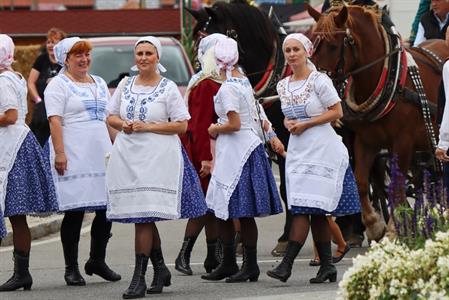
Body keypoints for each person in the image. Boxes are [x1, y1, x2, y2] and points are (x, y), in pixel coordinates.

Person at [105, 36, 207, 299]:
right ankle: (160, 269)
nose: (143, 58)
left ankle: (139, 278)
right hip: (129, 157)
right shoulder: (125, 84)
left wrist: (148, 126)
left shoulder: (169, 87)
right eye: (139, 53)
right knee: (144, 216)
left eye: (148, 53)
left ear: (157, 57)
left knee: (143, 218)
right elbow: (111, 116)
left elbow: (182, 124)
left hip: (158, 158)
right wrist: (123, 125)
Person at [266, 33, 360, 284]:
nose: (292, 54)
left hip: (322, 148)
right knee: (311, 210)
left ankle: (286, 266)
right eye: (288, 50)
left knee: (307, 209)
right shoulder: (283, 85)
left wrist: (307, 124)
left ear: (307, 51)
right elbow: (287, 116)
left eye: (296, 49)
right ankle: (328, 267)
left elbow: (336, 111)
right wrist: (288, 122)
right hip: (299, 149)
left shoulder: (320, 80)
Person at [201, 37, 283, 283]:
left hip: (238, 151)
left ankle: (247, 265)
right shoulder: (243, 81)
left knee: (237, 211)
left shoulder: (227, 88)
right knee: (226, 209)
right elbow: (255, 115)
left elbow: (235, 124)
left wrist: (214, 129)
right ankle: (232, 263)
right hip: (247, 147)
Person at [44, 37, 121, 287]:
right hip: (74, 152)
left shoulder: (98, 82)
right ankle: (71, 268)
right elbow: (55, 121)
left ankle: (97, 260)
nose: (84, 59)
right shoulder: (58, 85)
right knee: (75, 211)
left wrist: (119, 146)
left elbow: (107, 119)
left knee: (106, 208)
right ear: (65, 59)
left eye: (87, 54)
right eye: (77, 55)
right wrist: (59, 153)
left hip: (101, 152)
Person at [0, 34, 58, 291]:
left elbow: (10, 116)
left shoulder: (3, 81)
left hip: (12, 149)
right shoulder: (15, 76)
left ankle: (21, 273)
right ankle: (21, 273)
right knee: (16, 215)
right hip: (17, 145)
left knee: (15, 213)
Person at [174, 33, 226, 276]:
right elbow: (200, 123)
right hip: (204, 150)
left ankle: (212, 257)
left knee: (213, 206)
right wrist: (206, 157)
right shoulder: (206, 83)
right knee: (204, 206)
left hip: (216, 148)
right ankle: (183, 255)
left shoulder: (217, 80)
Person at [28, 28, 67, 147]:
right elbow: (30, 82)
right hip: (42, 107)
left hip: (61, 106)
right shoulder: (42, 59)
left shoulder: (66, 61)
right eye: (49, 42)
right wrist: (38, 100)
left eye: (54, 42)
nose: (50, 45)